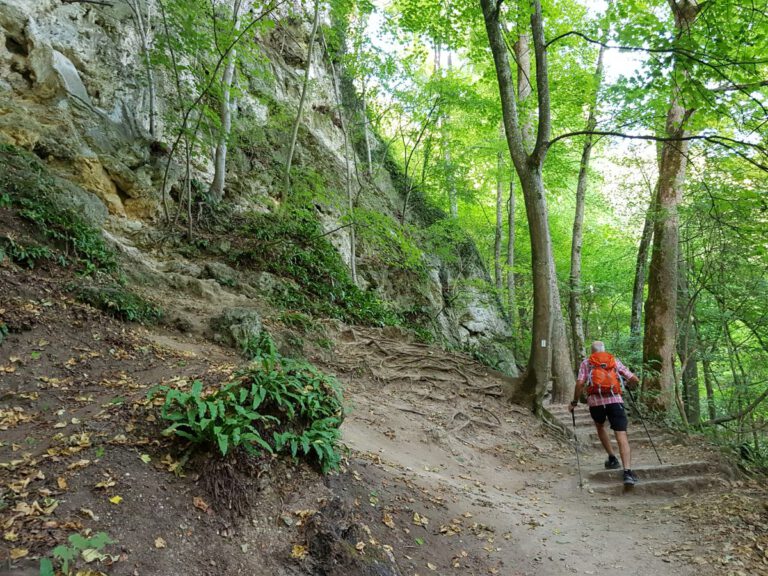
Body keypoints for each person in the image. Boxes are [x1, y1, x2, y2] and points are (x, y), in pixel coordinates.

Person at [568, 341, 640, 486]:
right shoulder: (613, 361)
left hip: (595, 403)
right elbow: (634, 379)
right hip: (615, 401)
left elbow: (580, 383)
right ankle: (627, 472)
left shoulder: (586, 363)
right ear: (604, 350)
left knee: (600, 427)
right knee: (621, 434)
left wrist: (574, 402)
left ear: (591, 351)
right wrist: (626, 385)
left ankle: (612, 457)